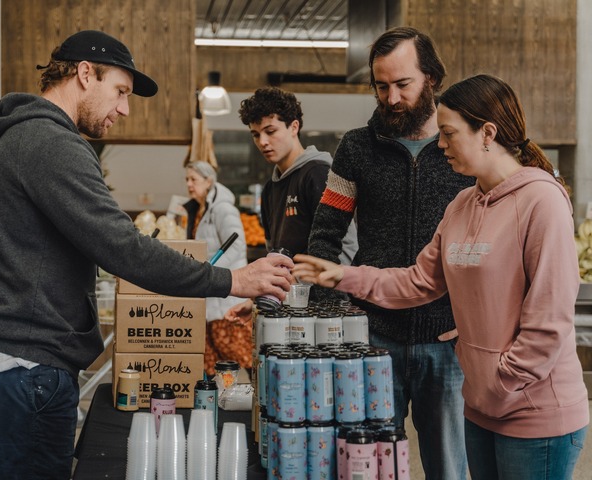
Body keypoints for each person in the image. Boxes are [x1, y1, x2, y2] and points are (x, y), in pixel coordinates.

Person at [0, 30, 293, 480]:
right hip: (25, 369)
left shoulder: (11, 140)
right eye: (120, 92)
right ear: (85, 73)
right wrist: (234, 281)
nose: (124, 109)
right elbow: (125, 249)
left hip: (6, 364)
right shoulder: (52, 144)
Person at [295, 73, 589, 480]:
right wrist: (341, 274)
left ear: (488, 132)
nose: (442, 144)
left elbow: (549, 323)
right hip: (481, 407)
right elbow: (418, 281)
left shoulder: (542, 202)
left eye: (449, 134)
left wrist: (500, 385)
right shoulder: (463, 204)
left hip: (535, 413)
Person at [306, 26, 475, 479]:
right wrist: (336, 314)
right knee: (368, 466)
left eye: (403, 84)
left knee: (450, 468)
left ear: (432, 78)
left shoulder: (462, 147)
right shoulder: (356, 148)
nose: (392, 98)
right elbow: (325, 232)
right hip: (372, 337)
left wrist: (473, 319)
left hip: (448, 341)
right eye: (382, 86)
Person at [226, 86, 358, 321]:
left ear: (294, 127)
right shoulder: (269, 190)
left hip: (326, 314)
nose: (263, 142)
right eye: (256, 135)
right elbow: (275, 264)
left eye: (270, 131)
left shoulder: (318, 174)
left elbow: (346, 249)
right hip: (289, 312)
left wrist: (306, 287)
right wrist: (257, 299)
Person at [182, 161, 253, 373]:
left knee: (238, 352)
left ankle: (258, 398)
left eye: (193, 179)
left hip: (227, 295)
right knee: (210, 356)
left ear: (209, 181)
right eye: (187, 180)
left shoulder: (222, 208)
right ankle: (216, 401)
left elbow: (238, 244)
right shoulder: (199, 209)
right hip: (209, 293)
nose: (189, 184)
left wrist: (211, 272)